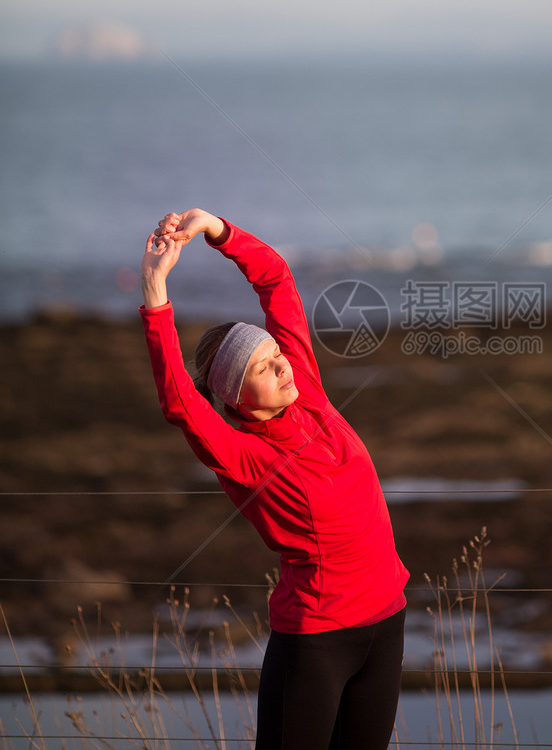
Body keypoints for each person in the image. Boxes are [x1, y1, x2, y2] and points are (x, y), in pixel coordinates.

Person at [139, 208, 409, 750]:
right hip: (317, 641)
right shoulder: (245, 456)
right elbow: (181, 403)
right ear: (236, 396)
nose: (283, 365)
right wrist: (154, 290)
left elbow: (277, 281)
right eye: (264, 367)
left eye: (277, 352)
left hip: (387, 621)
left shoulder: (306, 392)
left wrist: (218, 230)